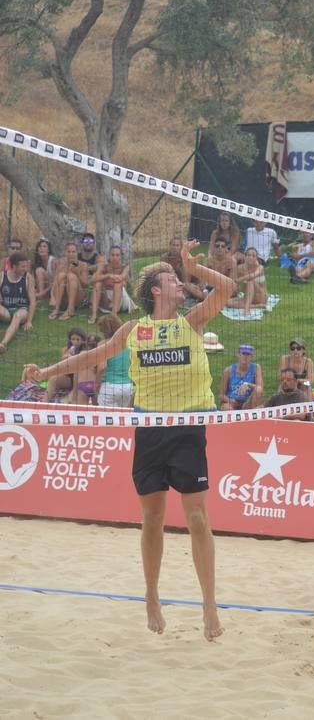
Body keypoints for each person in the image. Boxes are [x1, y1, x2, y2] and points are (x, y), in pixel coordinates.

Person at [23, 241, 234, 641]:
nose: (179, 282)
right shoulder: (134, 331)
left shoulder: (191, 322)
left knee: (197, 519)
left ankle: (209, 605)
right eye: (172, 278)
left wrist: (195, 269)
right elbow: (91, 357)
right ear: (156, 290)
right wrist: (45, 372)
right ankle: (152, 595)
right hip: (150, 431)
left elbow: (227, 289)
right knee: (152, 520)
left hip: (188, 429)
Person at [88, 245, 135, 324]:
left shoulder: (125, 267)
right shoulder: (103, 266)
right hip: (106, 299)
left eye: (117, 255)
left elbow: (121, 277)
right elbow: (92, 280)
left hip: (120, 297)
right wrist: (108, 275)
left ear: (121, 257)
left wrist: (112, 276)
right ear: (109, 256)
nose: (114, 257)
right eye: (112, 255)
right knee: (98, 283)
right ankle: (94, 315)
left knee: (117, 283)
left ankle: (114, 315)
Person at [0, 251, 36, 353]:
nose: (25, 269)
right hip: (6, 310)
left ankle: (3, 344)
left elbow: (33, 301)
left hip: (21, 309)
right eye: (22, 266)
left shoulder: (28, 278)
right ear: (14, 266)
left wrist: (29, 321)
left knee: (17, 316)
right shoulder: (2, 276)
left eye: (26, 266)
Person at [96, 315, 135, 407]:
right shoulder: (129, 343)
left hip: (109, 386)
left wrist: (96, 383)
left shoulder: (103, 344)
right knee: (124, 415)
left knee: (105, 415)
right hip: (127, 386)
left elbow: (102, 367)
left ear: (103, 330)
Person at [161, 235, 207, 305]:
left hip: (194, 282)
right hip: (179, 282)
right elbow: (164, 274)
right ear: (169, 246)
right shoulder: (164, 257)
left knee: (186, 286)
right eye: (173, 245)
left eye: (177, 245)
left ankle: (205, 297)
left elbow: (187, 281)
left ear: (181, 247)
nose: (175, 247)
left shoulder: (186, 257)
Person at [49, 241, 89, 320]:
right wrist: (52, 297)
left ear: (77, 253)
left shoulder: (83, 265)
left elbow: (85, 285)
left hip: (77, 297)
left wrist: (77, 274)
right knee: (61, 275)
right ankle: (57, 308)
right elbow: (55, 282)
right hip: (63, 297)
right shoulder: (60, 264)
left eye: (73, 252)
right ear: (65, 253)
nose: (71, 254)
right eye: (69, 251)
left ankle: (70, 309)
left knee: (71, 276)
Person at [45, 327, 86, 402]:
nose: (75, 342)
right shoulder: (66, 350)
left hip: (80, 379)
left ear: (83, 340)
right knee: (53, 378)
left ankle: (73, 395)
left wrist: (72, 358)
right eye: (73, 339)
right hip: (69, 378)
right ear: (70, 340)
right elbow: (63, 369)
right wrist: (65, 359)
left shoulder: (84, 351)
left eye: (78, 339)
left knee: (76, 373)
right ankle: (44, 402)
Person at [219, 344, 263, 410]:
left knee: (258, 391)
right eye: (243, 353)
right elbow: (221, 395)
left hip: (248, 402)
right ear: (238, 355)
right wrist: (230, 401)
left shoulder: (256, 368)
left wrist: (248, 385)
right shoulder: (228, 371)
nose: (245, 356)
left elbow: (260, 388)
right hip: (232, 402)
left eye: (248, 354)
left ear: (252, 356)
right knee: (227, 408)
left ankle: (252, 414)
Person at [227, 247, 267, 313]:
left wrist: (239, 279)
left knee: (250, 280)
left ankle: (246, 310)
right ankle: (257, 306)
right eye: (248, 255)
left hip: (261, 297)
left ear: (256, 258)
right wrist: (236, 288)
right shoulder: (240, 268)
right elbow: (234, 283)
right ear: (245, 256)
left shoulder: (260, 267)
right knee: (227, 302)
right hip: (247, 297)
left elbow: (252, 275)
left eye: (253, 256)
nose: (251, 257)